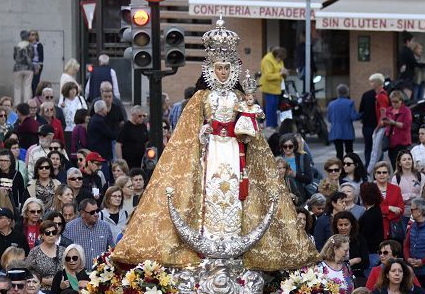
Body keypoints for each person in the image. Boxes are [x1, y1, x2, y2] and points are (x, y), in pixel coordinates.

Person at [110, 20, 318, 272]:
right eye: (218, 68)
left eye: (227, 68)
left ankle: (234, 240)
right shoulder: (201, 98)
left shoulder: (240, 97)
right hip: (210, 151)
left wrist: (248, 120)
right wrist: (202, 132)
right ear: (211, 68)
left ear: (233, 70)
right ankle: (207, 240)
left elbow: (252, 128)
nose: (222, 73)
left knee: (234, 190)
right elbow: (185, 134)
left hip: (234, 150)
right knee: (209, 188)